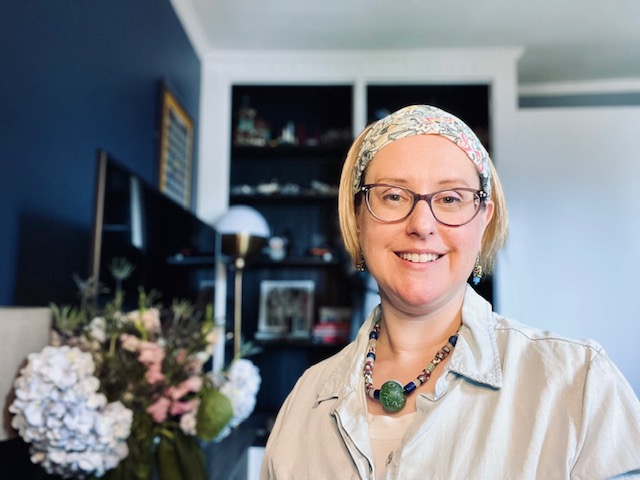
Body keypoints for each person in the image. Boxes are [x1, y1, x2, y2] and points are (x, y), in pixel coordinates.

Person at [261, 105, 640, 479]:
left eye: (450, 198)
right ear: (358, 216)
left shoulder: (577, 384)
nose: (421, 224)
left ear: (483, 221)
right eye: (393, 195)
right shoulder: (305, 400)